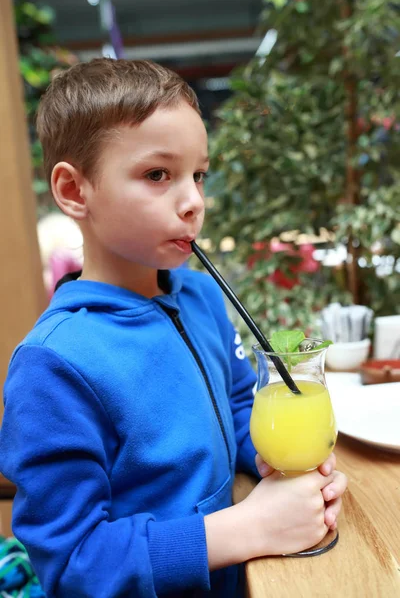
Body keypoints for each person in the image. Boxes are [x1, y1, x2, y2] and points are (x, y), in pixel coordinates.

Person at [0, 58, 347, 598]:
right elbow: (71, 563)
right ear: (74, 191)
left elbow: (234, 404)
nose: (193, 202)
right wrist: (247, 528)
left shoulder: (202, 295)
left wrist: (270, 457)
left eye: (198, 174)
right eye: (157, 175)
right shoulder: (55, 365)